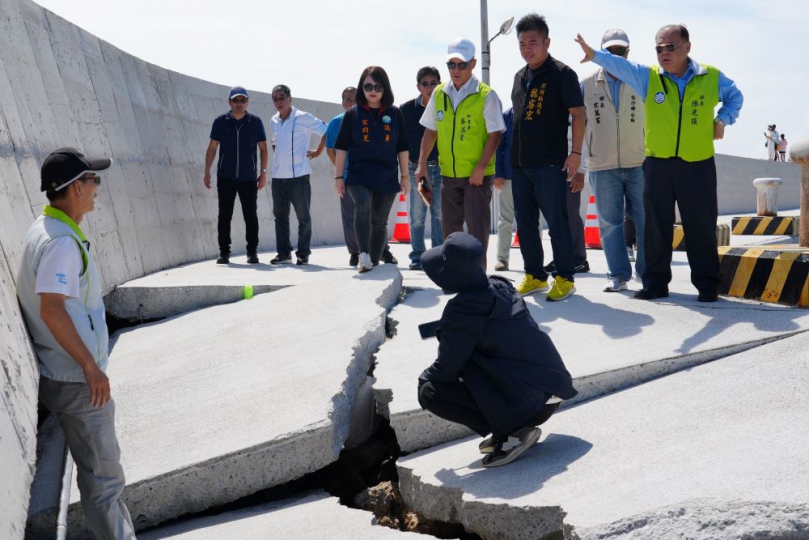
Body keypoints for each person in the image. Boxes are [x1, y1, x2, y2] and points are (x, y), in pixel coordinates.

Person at [576, 24, 744, 302]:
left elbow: (735, 97)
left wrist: (722, 119)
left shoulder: (710, 77)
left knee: (700, 226)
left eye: (670, 47)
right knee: (654, 226)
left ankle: (707, 284)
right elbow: (618, 64)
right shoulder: (648, 77)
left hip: (697, 163)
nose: (664, 53)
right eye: (659, 48)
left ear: (687, 47)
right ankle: (654, 283)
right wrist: (595, 54)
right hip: (657, 164)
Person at [17, 148, 136, 539]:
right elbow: (52, 309)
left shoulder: (47, 229)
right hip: (77, 380)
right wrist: (90, 366)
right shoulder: (61, 243)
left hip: (66, 373)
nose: (96, 188)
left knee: (101, 475)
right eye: (92, 180)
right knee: (105, 480)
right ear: (73, 189)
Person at [417, 232, 577, 468]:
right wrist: (445, 328)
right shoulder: (501, 286)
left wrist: (423, 379)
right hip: (552, 390)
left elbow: (447, 368)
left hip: (530, 406)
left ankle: (512, 432)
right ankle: (511, 423)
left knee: (430, 391)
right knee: (479, 357)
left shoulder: (461, 311)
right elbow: (489, 326)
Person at [511, 14, 586, 301]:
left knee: (557, 222)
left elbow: (578, 115)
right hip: (520, 165)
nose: (527, 48)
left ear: (547, 42)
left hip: (550, 163)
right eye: (522, 43)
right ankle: (535, 275)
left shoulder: (562, 74)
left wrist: (576, 154)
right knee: (526, 223)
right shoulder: (519, 76)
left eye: (533, 42)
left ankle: (565, 277)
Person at [416, 37, 505, 270]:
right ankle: (455, 276)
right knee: (451, 232)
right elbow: (430, 130)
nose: (456, 70)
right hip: (449, 175)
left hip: (477, 177)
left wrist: (479, 168)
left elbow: (495, 134)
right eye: (451, 65)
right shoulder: (438, 93)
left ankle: (477, 279)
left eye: (462, 65)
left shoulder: (486, 95)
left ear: (473, 64)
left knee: (477, 232)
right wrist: (421, 164)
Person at [580, 28, 646, 292]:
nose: (615, 56)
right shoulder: (585, 84)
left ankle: (646, 272)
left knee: (645, 220)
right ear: (601, 52)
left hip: (639, 163)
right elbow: (577, 127)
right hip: (602, 164)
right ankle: (618, 274)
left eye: (620, 51)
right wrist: (581, 164)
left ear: (628, 53)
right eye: (609, 51)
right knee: (609, 223)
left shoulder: (643, 80)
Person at [333, 66, 410, 273]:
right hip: (358, 174)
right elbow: (341, 147)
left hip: (386, 175)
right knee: (362, 203)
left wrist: (405, 176)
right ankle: (363, 254)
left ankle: (372, 262)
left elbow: (402, 147)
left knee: (379, 222)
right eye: (367, 86)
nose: (372, 90)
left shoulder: (395, 114)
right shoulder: (352, 114)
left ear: (385, 88)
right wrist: (338, 177)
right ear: (361, 88)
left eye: (377, 86)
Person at [204, 86, 268, 265]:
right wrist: (207, 171)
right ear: (229, 102)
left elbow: (263, 149)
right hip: (226, 177)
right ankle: (224, 253)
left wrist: (263, 173)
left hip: (248, 177)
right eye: (236, 100)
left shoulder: (255, 122)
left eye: (243, 100)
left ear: (247, 102)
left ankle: (252, 252)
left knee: (251, 215)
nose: (239, 104)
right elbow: (212, 148)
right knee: (224, 215)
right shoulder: (220, 121)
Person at [268, 85, 328, 265]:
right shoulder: (274, 120)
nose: (279, 102)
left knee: (303, 218)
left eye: (282, 97)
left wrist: (317, 152)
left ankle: (303, 254)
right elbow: (274, 143)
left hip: (299, 177)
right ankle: (284, 253)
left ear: (290, 98)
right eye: (276, 99)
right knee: (280, 218)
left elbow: (327, 130)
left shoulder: (303, 117)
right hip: (278, 177)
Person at [401, 66, 444, 270]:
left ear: (440, 84)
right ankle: (418, 256)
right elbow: (399, 142)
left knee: (439, 215)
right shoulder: (407, 110)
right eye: (425, 84)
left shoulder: (445, 106)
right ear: (418, 86)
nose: (429, 87)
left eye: (433, 83)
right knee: (418, 216)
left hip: (442, 170)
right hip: (419, 171)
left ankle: (438, 255)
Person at [493, 107, 544, 272]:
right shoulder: (507, 116)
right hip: (509, 176)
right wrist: (498, 173)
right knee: (505, 219)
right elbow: (498, 146)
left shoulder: (538, 112)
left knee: (533, 220)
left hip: (533, 175)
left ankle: (536, 260)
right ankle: (502, 259)